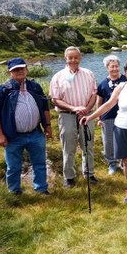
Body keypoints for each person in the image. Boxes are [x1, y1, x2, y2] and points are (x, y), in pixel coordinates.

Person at [81, 59, 127, 211]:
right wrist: (90, 117)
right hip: (122, 129)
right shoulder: (121, 87)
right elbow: (108, 104)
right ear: (126, 73)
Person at [0, 57, 52, 195]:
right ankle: (14, 192)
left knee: (40, 164)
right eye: (15, 69)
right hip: (12, 136)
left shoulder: (35, 86)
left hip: (35, 133)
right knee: (13, 167)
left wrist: (47, 126)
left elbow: (45, 107)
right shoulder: (2, 90)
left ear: (27, 70)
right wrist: (0, 135)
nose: (19, 71)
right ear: (10, 72)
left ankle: (41, 189)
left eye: (22, 68)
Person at [49, 46, 98, 188]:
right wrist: (74, 108)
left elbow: (94, 94)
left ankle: (89, 173)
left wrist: (87, 109)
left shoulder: (88, 73)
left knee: (87, 145)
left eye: (76, 57)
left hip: (86, 115)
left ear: (80, 58)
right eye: (70, 57)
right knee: (68, 147)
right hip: (67, 115)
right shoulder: (57, 77)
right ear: (65, 59)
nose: (73, 60)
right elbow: (55, 99)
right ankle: (69, 177)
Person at [96, 55, 127, 175]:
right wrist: (99, 118)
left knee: (123, 141)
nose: (114, 68)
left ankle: (124, 163)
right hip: (107, 117)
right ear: (107, 68)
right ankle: (112, 163)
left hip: (123, 116)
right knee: (108, 142)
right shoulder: (103, 84)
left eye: (116, 66)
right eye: (111, 66)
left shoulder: (126, 80)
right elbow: (99, 102)